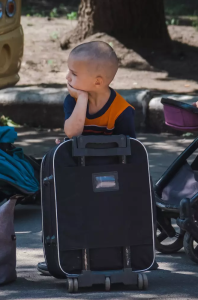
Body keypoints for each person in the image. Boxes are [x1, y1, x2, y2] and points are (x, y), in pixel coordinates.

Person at [38, 41, 137, 275]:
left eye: (73, 73)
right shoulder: (71, 100)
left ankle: (116, 255)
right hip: (78, 175)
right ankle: (65, 256)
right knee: (71, 213)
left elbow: (129, 152)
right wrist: (81, 99)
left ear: (98, 82)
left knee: (106, 217)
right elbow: (72, 132)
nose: (67, 77)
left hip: (109, 181)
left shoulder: (122, 111)